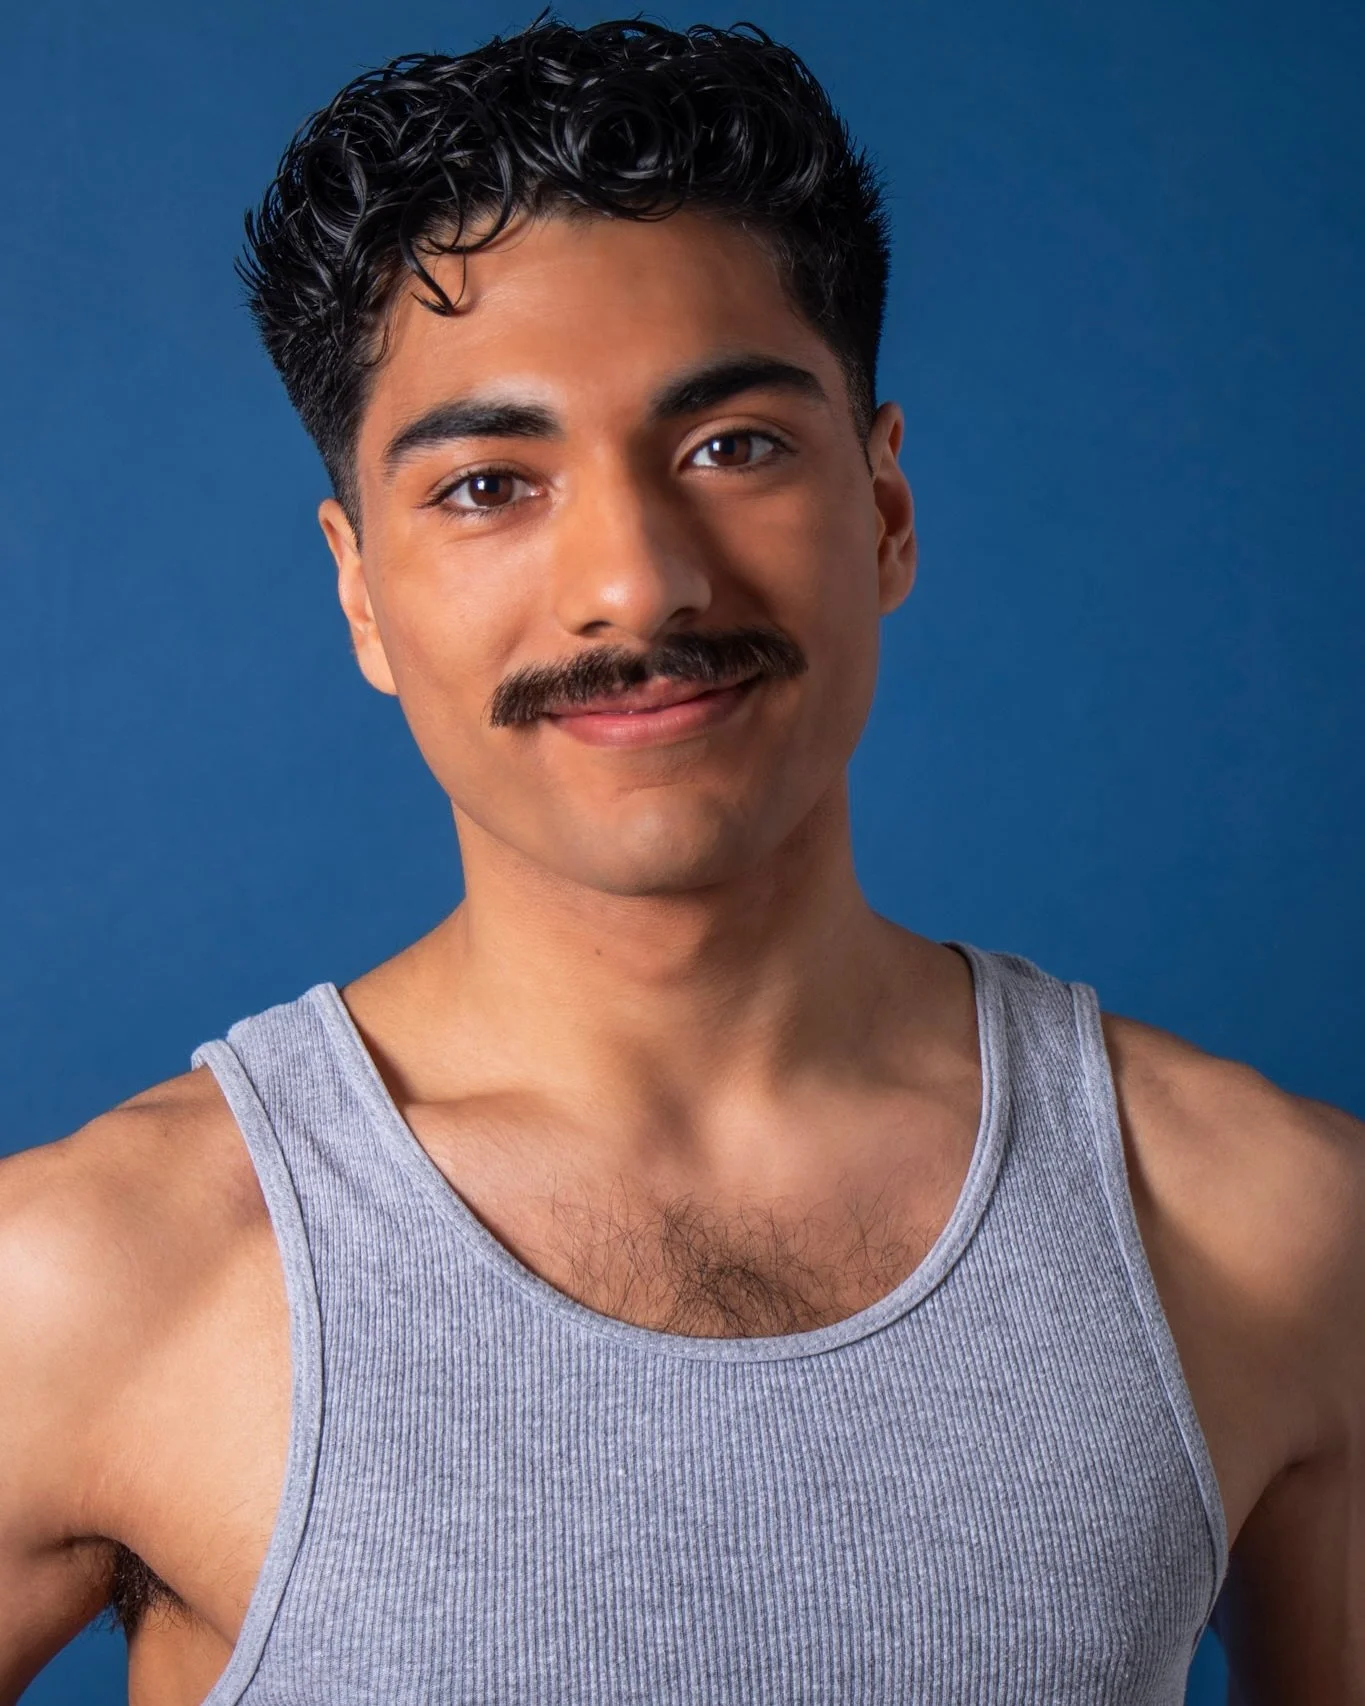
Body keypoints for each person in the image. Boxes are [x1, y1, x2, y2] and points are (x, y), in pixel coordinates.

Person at [0, 17, 1360, 1705]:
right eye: (491, 483)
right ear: (359, 589)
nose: (636, 585)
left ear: (885, 511)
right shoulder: (90, 1280)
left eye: (732, 446)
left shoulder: (1274, 1228)